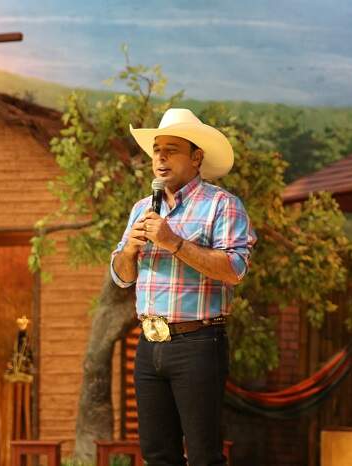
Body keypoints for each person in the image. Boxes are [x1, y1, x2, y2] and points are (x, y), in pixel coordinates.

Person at [110, 108, 256, 466]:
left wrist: (172, 241)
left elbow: (235, 269)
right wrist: (128, 251)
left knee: (204, 456)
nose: (160, 158)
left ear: (196, 157)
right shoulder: (142, 209)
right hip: (149, 345)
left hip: (198, 343)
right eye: (157, 150)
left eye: (171, 150)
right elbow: (122, 276)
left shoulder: (222, 205)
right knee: (157, 455)